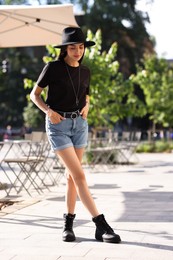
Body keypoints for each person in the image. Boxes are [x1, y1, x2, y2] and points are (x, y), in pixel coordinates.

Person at [30, 27, 121, 243]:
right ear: (65, 49)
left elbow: (86, 94)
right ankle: (100, 224)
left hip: (80, 125)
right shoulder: (52, 68)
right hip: (58, 126)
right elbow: (35, 95)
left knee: (72, 178)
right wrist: (48, 111)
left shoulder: (86, 71)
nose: (78, 51)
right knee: (80, 176)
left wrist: (87, 105)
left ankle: (68, 226)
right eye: (73, 47)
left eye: (80, 47)